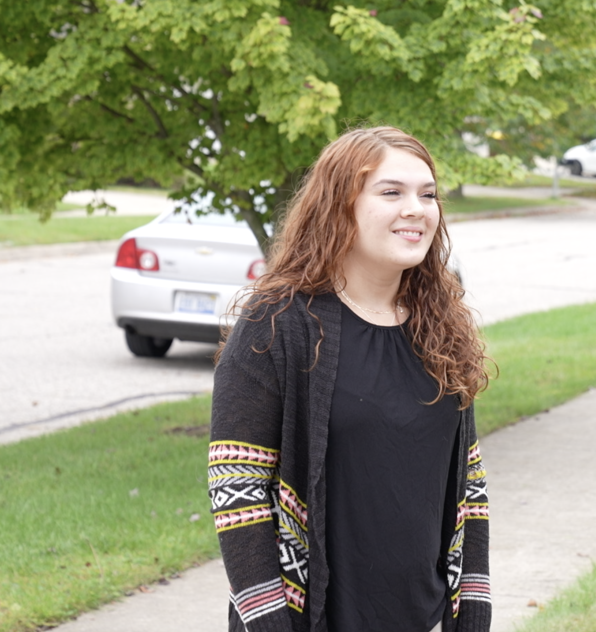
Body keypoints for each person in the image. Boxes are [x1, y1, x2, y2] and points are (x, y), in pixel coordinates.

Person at [209, 127, 492, 632]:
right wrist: (266, 615)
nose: (417, 209)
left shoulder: (441, 325)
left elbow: (468, 483)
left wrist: (473, 601)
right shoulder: (277, 325)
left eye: (428, 195)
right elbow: (237, 485)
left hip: (425, 617)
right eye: (392, 192)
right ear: (340, 205)